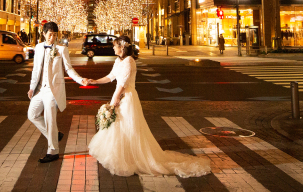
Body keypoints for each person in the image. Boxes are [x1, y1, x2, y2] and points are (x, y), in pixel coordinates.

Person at [85, 35, 212, 178]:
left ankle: (133, 158)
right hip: (119, 97)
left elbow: (123, 83)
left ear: (122, 47)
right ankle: (124, 156)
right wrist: (95, 81)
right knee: (119, 126)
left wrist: (115, 98)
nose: (113, 47)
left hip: (127, 98)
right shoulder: (118, 61)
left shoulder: (129, 61)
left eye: (115, 45)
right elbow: (110, 77)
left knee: (129, 127)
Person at [28, 21, 89, 163]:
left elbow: (69, 69)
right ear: (44, 34)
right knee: (32, 114)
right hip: (39, 89)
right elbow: (36, 70)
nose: (52, 38)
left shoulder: (61, 49)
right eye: (50, 35)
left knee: (50, 119)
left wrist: (81, 80)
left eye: (54, 35)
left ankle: (53, 151)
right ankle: (55, 135)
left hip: (52, 90)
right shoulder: (38, 48)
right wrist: (31, 88)